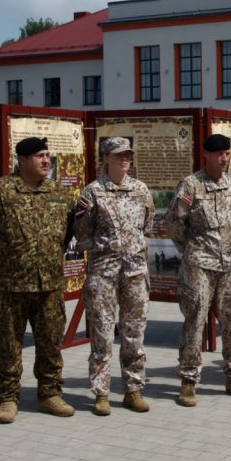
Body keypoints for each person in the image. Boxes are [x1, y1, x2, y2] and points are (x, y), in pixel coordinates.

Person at [0, 137, 77, 425]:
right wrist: (3, 257)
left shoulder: (60, 194)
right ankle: (7, 397)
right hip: (10, 285)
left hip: (49, 284)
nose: (46, 161)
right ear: (23, 160)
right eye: (40, 156)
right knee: (7, 343)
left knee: (50, 342)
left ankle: (49, 394)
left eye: (47, 155)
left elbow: (67, 233)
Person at [165, 134, 231, 407]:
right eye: (219, 154)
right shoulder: (191, 185)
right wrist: (192, 249)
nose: (225, 159)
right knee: (195, 320)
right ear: (206, 155)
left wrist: (230, 244)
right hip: (199, 266)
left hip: (229, 265)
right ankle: (188, 381)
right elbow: (175, 222)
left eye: (227, 153)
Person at [73, 137, 155, 416]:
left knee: (134, 334)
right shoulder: (92, 192)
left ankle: (133, 389)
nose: (125, 159)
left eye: (128, 155)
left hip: (135, 273)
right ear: (106, 157)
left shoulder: (141, 190)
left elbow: (147, 225)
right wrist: (105, 251)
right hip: (103, 275)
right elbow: (82, 233)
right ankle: (102, 393)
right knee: (102, 335)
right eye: (119, 155)